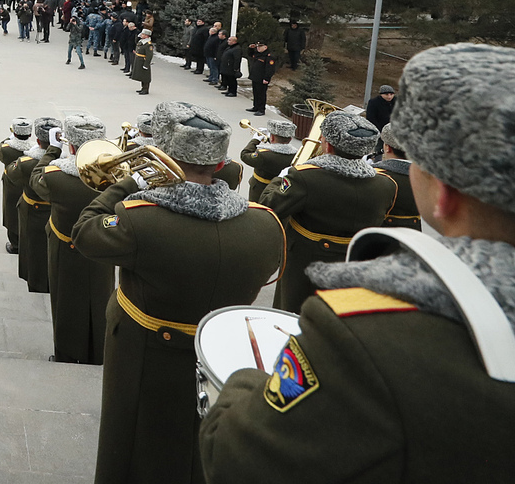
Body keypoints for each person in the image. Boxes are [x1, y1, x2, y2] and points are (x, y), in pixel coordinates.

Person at [199, 42, 515, 483]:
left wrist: (242, 381)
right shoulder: (381, 188)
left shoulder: (357, 333)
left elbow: (240, 457)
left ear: (444, 193)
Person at [73, 101, 284, 484]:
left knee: (132, 441)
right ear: (220, 165)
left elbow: (85, 232)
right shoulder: (265, 225)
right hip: (221, 360)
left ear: (164, 156)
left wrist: (129, 183)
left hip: (142, 352)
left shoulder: (139, 220)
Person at [259, 110, 398, 312]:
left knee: (293, 310)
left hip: (306, 260)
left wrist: (281, 178)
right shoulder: (386, 184)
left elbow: (270, 206)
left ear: (328, 144)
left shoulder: (304, 177)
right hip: (356, 262)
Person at [31, 115, 113, 364]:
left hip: (64, 247)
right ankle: (99, 352)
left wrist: (53, 150)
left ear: (72, 146)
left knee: (64, 300)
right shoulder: (116, 180)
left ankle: (66, 353)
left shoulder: (56, 177)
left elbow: (35, 179)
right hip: (102, 246)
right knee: (101, 298)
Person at [5, 118, 61, 293]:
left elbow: (11, 174)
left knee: (32, 246)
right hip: (54, 212)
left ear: (37, 140)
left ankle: (35, 280)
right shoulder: (61, 165)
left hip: (31, 209)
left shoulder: (26, 162)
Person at [0, 117, 35, 254]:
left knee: (11, 212)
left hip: (11, 186)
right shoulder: (34, 150)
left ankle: (15, 245)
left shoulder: (7, 149)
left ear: (14, 133)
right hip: (29, 186)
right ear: (29, 134)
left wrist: (8, 138)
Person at [373, 123, 420, 230]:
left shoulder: (377, 175)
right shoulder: (431, 177)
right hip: (417, 236)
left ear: (387, 148)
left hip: (381, 235)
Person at [239, 118, 298, 202]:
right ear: (290, 139)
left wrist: (255, 140)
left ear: (272, 138)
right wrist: (272, 141)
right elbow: (280, 148)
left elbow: (244, 155)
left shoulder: (263, 155)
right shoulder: (296, 155)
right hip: (281, 191)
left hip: (259, 191)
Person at [246, 40, 276, 115]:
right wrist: (250, 48)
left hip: (262, 78)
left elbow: (270, 69)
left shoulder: (269, 56)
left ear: (265, 47)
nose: (258, 48)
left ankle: (261, 109)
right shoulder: (258, 54)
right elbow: (250, 54)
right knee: (255, 93)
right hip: (255, 76)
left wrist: (267, 78)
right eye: (257, 47)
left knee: (261, 94)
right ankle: (255, 106)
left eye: (260, 47)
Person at [131, 29, 153, 95]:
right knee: (141, 75)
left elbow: (149, 56)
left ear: (146, 36)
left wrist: (146, 64)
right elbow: (137, 42)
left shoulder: (148, 44)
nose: (141, 35)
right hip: (139, 60)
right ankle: (142, 88)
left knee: (145, 76)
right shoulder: (142, 41)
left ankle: (145, 89)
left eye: (143, 34)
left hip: (143, 61)